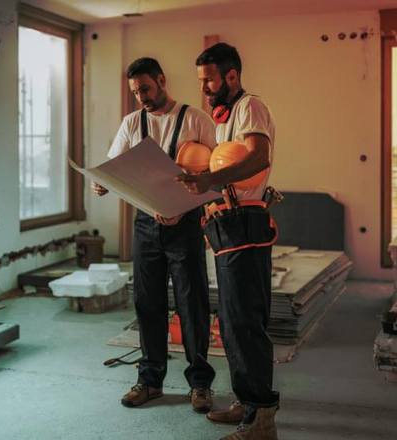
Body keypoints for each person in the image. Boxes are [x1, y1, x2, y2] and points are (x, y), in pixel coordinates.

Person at [92, 57, 216, 413]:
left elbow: (218, 167)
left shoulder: (195, 119)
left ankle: (200, 384)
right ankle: (150, 380)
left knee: (192, 305)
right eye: (135, 92)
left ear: (162, 80)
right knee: (148, 304)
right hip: (146, 225)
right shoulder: (132, 123)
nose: (141, 97)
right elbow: (114, 165)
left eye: (145, 88)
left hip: (186, 225)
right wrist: (103, 183)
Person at [176, 43, 279, 440]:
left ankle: (262, 418)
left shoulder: (250, 106)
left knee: (246, 322)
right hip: (226, 220)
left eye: (209, 80)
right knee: (232, 322)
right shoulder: (225, 118)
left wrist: (208, 181)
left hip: (245, 221)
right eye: (200, 81)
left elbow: (258, 159)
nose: (203, 88)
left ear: (231, 76)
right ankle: (246, 401)